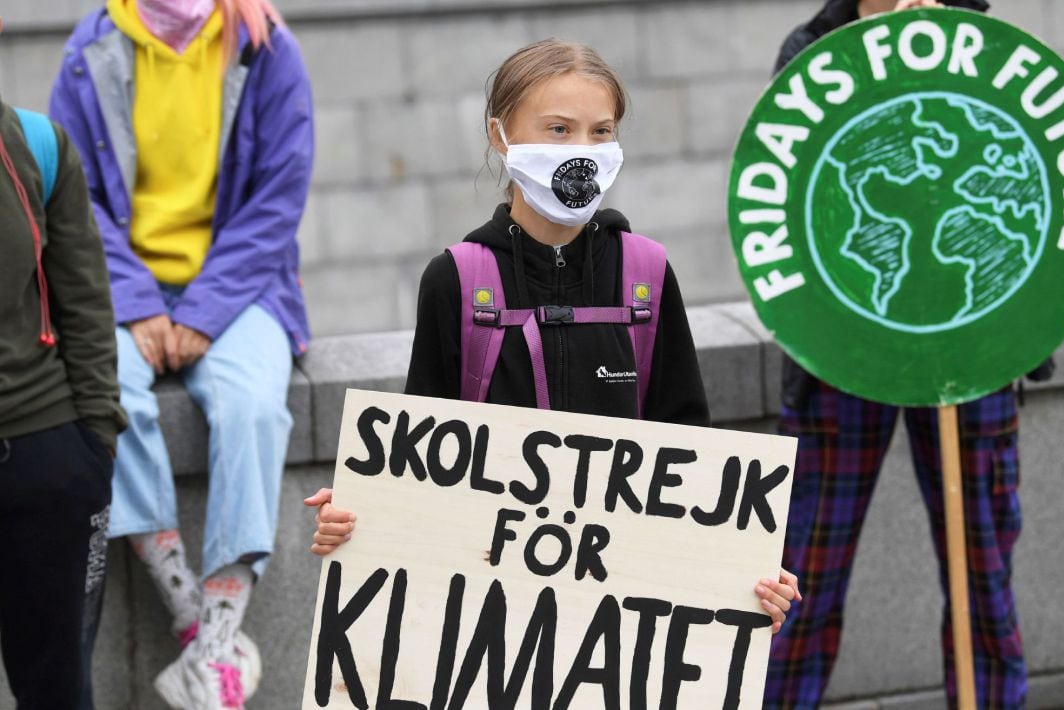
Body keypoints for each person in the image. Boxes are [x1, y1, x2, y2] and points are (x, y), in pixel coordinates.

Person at [305, 38, 801, 634]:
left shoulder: (645, 274)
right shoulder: (456, 280)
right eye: (559, 129)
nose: (582, 151)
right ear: (501, 135)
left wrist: (740, 576)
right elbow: (419, 463)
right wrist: (363, 514)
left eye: (601, 131)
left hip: (615, 625)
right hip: (493, 619)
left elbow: (691, 462)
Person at [765, 1, 1048, 707]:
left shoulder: (987, 49)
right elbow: (791, 201)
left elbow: (1039, 183)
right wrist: (878, 62)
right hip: (843, 352)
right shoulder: (814, 50)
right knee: (800, 575)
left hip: (969, 350)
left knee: (982, 575)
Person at [49, 0, 313, 706]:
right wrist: (137, 301)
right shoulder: (90, 49)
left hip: (243, 286)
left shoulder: (267, 46)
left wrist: (201, 310)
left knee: (253, 404)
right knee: (107, 395)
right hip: (123, 287)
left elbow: (279, 197)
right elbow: (72, 196)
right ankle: (193, 616)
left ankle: (222, 633)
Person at [0, 15, 127, 709]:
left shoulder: (38, 146)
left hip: (48, 460)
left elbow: (85, 301)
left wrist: (95, 439)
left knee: (58, 693)